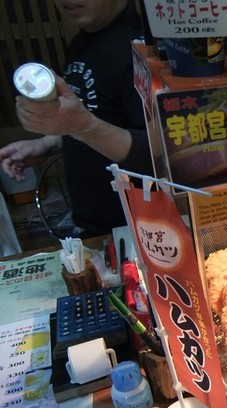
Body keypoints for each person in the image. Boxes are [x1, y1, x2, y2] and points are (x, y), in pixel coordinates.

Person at [0, 0, 153, 238]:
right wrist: (47, 143)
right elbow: (103, 116)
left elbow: (159, 154)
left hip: (135, 227)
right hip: (93, 220)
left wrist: (81, 127)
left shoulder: (141, 51)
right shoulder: (84, 41)